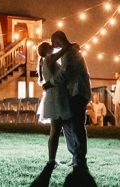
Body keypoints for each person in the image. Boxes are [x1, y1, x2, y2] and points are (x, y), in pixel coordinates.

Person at [46, 30, 91, 171]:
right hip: (74, 93)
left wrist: (50, 83)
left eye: (54, 43)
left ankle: (80, 158)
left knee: (77, 126)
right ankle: (76, 155)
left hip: (78, 92)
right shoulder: (69, 51)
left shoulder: (70, 53)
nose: (54, 47)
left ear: (58, 40)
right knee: (71, 125)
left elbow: (65, 72)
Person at [34, 41, 69, 173]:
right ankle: (53, 159)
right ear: (47, 49)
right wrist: (68, 46)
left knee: (55, 130)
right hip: (56, 97)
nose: (52, 46)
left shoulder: (44, 62)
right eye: (50, 45)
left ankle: (51, 159)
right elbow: (63, 51)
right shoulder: (49, 58)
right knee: (56, 130)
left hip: (52, 96)